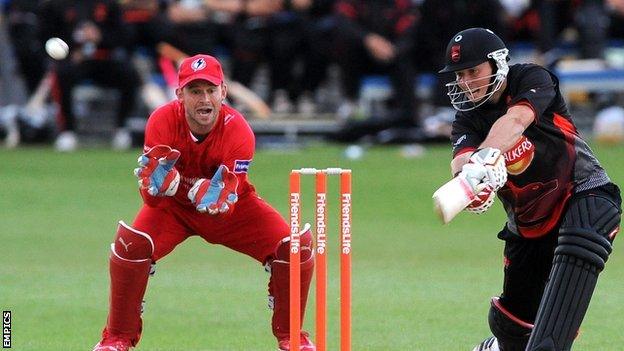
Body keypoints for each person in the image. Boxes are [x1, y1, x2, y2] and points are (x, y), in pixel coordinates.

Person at [92, 54, 315, 351]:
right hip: (173, 208)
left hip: (234, 209)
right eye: (195, 91)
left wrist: (211, 195)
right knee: (131, 245)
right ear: (180, 94)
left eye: (210, 90)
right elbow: (151, 199)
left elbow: (226, 206)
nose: (204, 99)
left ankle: (292, 338)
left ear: (223, 92)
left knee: (294, 248)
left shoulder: (239, 131)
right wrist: (156, 187)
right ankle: (116, 338)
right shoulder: (161, 120)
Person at [439, 28, 621, 351]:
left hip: (582, 191)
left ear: (497, 64)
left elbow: (516, 121)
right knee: (512, 326)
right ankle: (497, 346)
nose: (466, 83)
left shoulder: (531, 78)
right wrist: (470, 185)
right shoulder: (466, 120)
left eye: (473, 71)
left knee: (549, 336)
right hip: (528, 227)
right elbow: (461, 164)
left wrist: (486, 157)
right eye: (460, 75)